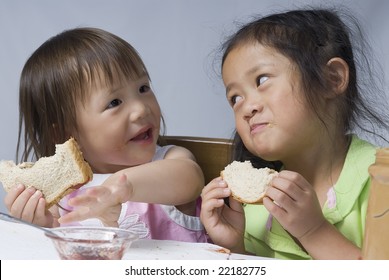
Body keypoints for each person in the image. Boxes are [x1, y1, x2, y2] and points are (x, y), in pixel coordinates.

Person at [200, 8, 389, 259]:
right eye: (235, 97)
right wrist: (235, 248)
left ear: (331, 79)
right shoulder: (252, 211)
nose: (247, 107)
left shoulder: (380, 182)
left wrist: (315, 231)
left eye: (262, 80)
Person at [4, 27, 208, 242]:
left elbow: (189, 179)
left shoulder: (172, 160)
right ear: (66, 133)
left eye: (143, 88)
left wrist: (120, 189)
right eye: (114, 102)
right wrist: (42, 227)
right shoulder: (62, 198)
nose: (141, 109)